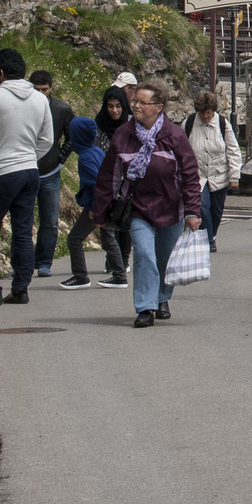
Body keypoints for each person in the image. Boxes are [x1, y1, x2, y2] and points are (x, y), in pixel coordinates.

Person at [94, 82, 204, 328]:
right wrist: (100, 211)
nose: (137, 107)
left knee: (165, 258)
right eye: (135, 102)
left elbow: (189, 175)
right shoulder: (124, 135)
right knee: (144, 255)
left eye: (143, 103)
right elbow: (108, 177)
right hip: (138, 208)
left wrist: (192, 211)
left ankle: (162, 298)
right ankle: (145, 307)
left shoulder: (174, 135)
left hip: (170, 208)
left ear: (159, 107)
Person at [0, 48, 53, 306]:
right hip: (30, 172)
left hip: (1, 171)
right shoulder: (39, 99)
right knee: (23, 232)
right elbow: (47, 139)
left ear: (1, 72)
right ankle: (20, 289)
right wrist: (29, 156)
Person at [60, 116, 125, 289]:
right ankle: (120, 275)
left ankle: (80, 276)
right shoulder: (97, 151)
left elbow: (97, 184)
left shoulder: (85, 158)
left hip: (97, 205)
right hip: (109, 201)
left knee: (74, 238)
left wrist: (95, 208)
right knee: (108, 239)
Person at [27, 70, 74, 279]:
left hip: (50, 171)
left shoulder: (61, 109)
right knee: (23, 220)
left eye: (44, 90)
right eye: (36, 90)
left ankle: (44, 262)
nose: (40, 94)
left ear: (51, 88)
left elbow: (72, 137)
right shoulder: (23, 108)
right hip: (25, 170)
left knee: (49, 220)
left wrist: (60, 158)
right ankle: (23, 263)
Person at [184, 91, 240, 253]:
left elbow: (233, 150)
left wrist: (234, 176)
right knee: (202, 206)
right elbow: (181, 150)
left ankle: (212, 235)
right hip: (197, 176)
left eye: (208, 113)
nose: (206, 116)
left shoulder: (223, 124)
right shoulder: (189, 124)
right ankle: (208, 239)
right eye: (202, 113)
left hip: (219, 175)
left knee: (216, 210)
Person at [93, 85, 134, 285]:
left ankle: (123, 259)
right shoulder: (99, 124)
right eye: (110, 106)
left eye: (118, 106)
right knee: (109, 221)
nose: (114, 110)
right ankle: (112, 259)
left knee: (124, 222)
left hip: (127, 180)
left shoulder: (131, 125)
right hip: (107, 179)